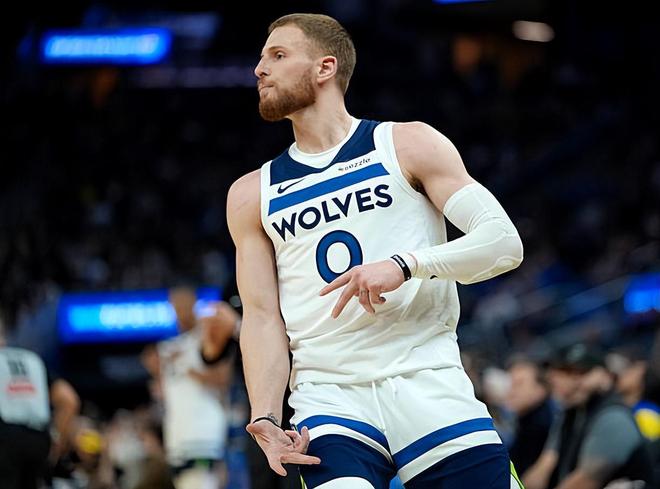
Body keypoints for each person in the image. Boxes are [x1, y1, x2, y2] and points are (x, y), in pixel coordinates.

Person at [226, 13, 524, 489]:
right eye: (262, 58)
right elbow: (261, 317)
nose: (259, 69)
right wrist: (265, 413)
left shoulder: (406, 143)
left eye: (278, 56)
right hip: (329, 396)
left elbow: (503, 243)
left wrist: (406, 265)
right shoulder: (250, 194)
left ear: (325, 68)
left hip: (427, 375)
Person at [141, 286, 239, 489]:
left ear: (194, 304)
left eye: (183, 305)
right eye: (175, 306)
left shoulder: (207, 334)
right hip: (177, 434)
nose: (180, 311)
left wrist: (186, 369)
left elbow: (224, 378)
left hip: (203, 433)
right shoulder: (169, 346)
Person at [523, 343, 656, 489]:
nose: (559, 379)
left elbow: (582, 483)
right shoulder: (570, 413)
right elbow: (544, 467)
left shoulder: (614, 417)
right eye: (560, 371)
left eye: (579, 373)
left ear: (604, 376)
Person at [0, 322, 80, 489]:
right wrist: (56, 440)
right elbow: (69, 400)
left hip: (4, 439)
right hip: (38, 439)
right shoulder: (32, 360)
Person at [505, 355, 558, 475]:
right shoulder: (524, 421)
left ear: (541, 389)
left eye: (518, 384)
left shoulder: (544, 426)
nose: (511, 391)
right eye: (510, 383)